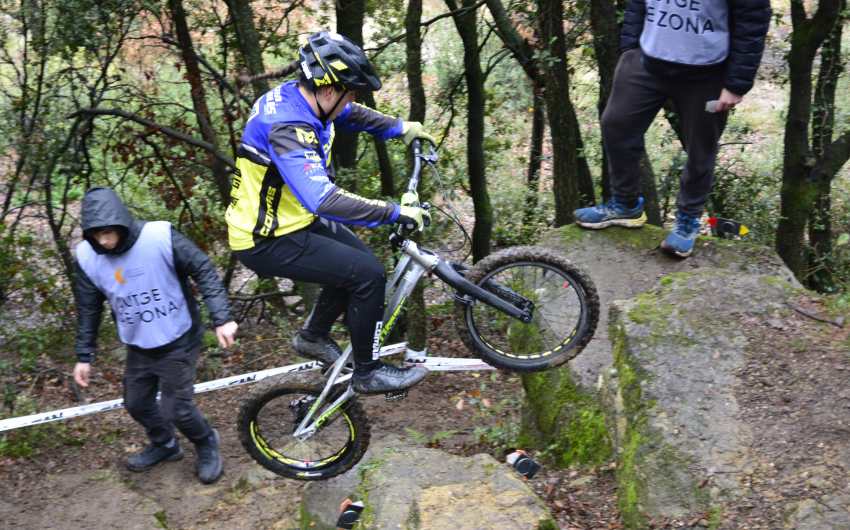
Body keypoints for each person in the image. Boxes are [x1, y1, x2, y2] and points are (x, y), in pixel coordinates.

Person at [225, 31, 435, 394]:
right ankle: (368, 373)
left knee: (360, 263)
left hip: (292, 221)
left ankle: (313, 335)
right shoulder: (287, 128)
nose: (351, 100)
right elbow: (324, 200)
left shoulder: (303, 99)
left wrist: (401, 128)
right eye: (348, 92)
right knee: (367, 275)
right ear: (327, 89)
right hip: (265, 239)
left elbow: (350, 115)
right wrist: (394, 211)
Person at [574, 0, 771, 257]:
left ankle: (686, 222)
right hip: (646, 62)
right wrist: (630, 48)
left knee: (701, 149)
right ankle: (625, 204)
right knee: (616, 125)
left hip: (707, 74)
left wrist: (737, 84)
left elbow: (753, 20)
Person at [73, 187, 238, 484]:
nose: (104, 241)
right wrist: (84, 355)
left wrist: (222, 318)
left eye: (109, 232)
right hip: (138, 342)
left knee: (177, 408)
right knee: (136, 402)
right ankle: (165, 444)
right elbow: (88, 307)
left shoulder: (159, 237)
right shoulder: (87, 257)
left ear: (121, 223)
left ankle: (206, 442)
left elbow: (203, 269)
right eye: (97, 235)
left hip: (178, 337)